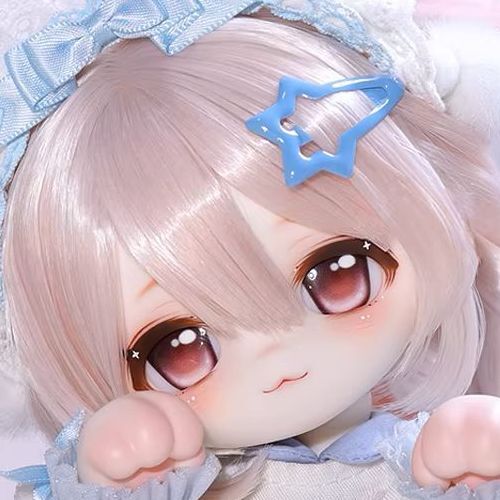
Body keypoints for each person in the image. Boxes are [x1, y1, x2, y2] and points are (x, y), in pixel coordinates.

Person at [1, 1, 500, 498]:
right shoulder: (179, 485)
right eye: (181, 349)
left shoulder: (420, 459)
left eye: (336, 275)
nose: (278, 356)